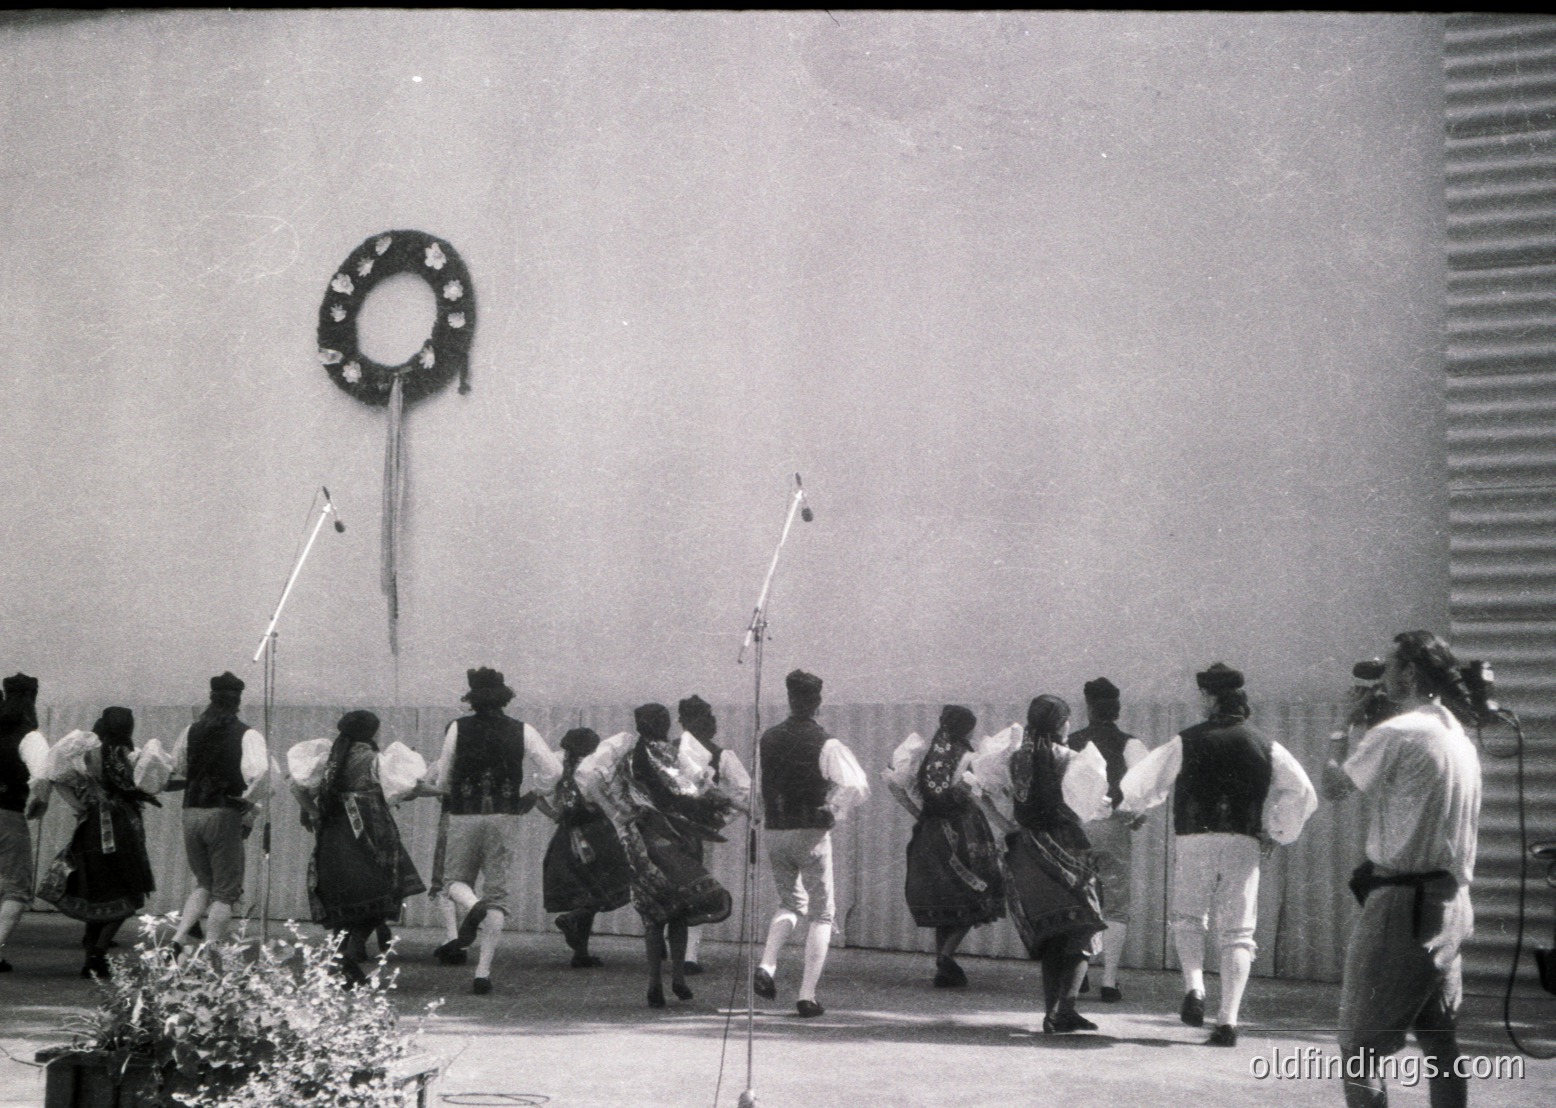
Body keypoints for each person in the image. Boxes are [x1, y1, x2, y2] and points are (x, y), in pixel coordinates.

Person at [1321, 632, 1483, 1108]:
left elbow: (1334, 788)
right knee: (1439, 1039)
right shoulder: (1456, 734)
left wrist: (1341, 727)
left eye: (1389, 667)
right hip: (1451, 903)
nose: (1383, 676)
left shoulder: (1396, 732)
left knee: (1358, 1047)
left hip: (1402, 905)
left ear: (1409, 673)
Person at [1119, 662, 1318, 1047]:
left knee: (1188, 918)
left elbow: (1141, 782)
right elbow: (1303, 793)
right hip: (1243, 841)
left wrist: (1139, 804)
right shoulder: (1266, 745)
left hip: (1194, 837)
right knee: (1239, 931)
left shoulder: (1185, 741)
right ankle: (1228, 1020)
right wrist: (1278, 830)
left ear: (1210, 698)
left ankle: (1195, 987)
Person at [578, 703, 742, 1008]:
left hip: (639, 838)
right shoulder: (671, 754)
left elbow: (591, 781)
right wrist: (738, 806)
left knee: (653, 914)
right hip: (675, 836)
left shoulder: (625, 750)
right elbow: (699, 790)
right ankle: (677, 977)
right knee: (679, 911)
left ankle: (656, 982)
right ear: (665, 724)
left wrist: (616, 813)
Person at [970, 695, 1110, 1033]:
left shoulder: (1013, 757)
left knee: (1050, 932)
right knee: (1083, 927)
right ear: (1060, 723)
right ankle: (1065, 1009)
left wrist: (1008, 828)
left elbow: (980, 791)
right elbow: (1091, 808)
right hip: (1066, 848)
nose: (1068, 725)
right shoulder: (1072, 759)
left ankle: (1053, 1011)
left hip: (1027, 851)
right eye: (1066, 720)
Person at [426, 667, 561, 994]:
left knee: (453, 882)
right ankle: (483, 973)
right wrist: (535, 792)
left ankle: (473, 908)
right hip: (505, 816)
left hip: (464, 813)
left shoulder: (458, 727)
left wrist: (447, 786)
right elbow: (554, 769)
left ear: (471, 698)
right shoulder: (523, 729)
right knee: (497, 892)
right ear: (504, 697)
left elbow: (443, 777)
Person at [753, 669, 869, 1018]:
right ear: (817, 701)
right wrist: (834, 808)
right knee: (822, 912)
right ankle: (807, 995)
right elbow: (857, 785)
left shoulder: (768, 738)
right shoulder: (826, 742)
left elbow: (760, 786)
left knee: (789, 902)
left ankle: (767, 964)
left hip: (775, 830)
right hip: (810, 832)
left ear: (790, 699)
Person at [290, 711, 433, 983]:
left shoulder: (331, 758)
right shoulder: (374, 760)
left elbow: (296, 787)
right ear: (372, 733)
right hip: (371, 835)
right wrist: (442, 791)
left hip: (335, 834)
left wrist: (313, 812)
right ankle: (345, 957)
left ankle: (342, 957)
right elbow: (409, 789)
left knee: (344, 895)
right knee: (382, 894)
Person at [37, 708, 172, 978]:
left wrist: (79, 807)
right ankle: (97, 954)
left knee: (97, 884)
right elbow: (154, 783)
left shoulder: (88, 755)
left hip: (93, 825)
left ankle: (91, 950)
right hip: (122, 827)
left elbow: (57, 778)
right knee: (127, 888)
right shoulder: (132, 757)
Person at [883, 704, 1004, 987]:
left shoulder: (922, 753)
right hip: (965, 832)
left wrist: (918, 813)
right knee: (977, 893)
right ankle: (946, 957)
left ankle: (944, 964)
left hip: (931, 832)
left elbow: (893, 783)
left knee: (944, 898)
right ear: (968, 729)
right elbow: (984, 793)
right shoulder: (971, 757)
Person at [168, 671, 271, 950]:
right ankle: (211, 951)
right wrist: (249, 799)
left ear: (212, 698)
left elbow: (178, 766)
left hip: (190, 811)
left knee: (204, 882)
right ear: (237, 701)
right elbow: (262, 773)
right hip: (223, 813)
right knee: (225, 892)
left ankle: (178, 939)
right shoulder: (246, 734)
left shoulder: (191, 730)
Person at [1066, 677, 1150, 1002]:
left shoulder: (1071, 742)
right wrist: (1135, 814)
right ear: (1116, 709)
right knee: (1116, 904)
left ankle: (1080, 973)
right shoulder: (1131, 744)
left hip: (1077, 829)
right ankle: (1110, 981)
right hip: (1114, 829)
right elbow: (1143, 787)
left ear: (1088, 707)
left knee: (1078, 900)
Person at [536, 726, 633, 968]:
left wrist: (554, 814)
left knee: (582, 889)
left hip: (568, 833)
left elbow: (536, 795)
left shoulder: (558, 763)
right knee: (605, 883)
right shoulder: (595, 765)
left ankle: (580, 951)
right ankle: (574, 924)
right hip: (596, 831)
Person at [675, 695, 750, 975]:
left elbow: (745, 789)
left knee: (677, 887)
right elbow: (745, 789)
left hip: (675, 830)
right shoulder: (720, 755)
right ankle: (687, 955)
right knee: (695, 888)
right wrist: (722, 820)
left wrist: (721, 821)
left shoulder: (673, 751)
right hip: (700, 830)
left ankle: (682, 952)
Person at [0, 674, 50, 972]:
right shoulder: (29, 735)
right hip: (8, 815)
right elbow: (42, 776)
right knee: (16, 890)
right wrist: (35, 807)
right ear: (32, 697)